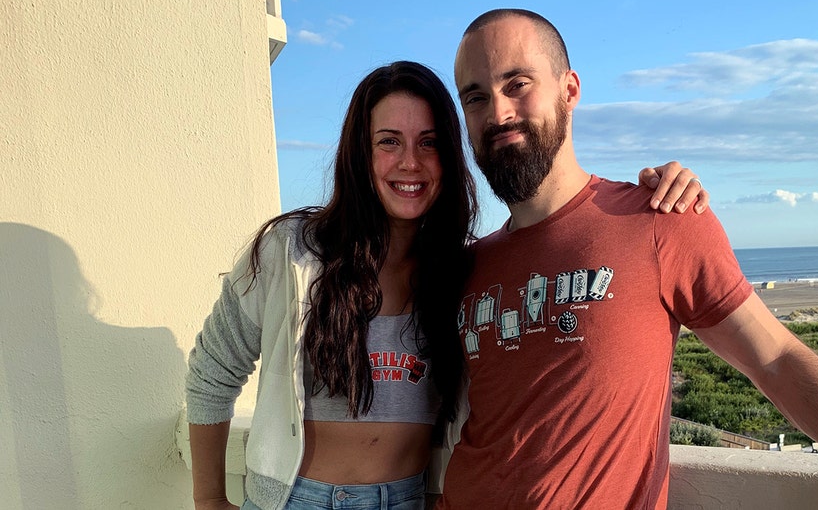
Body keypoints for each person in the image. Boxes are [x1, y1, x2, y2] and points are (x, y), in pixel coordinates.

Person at [436, 9, 818, 509]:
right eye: (475, 97)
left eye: (517, 83)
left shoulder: (659, 220)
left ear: (569, 90)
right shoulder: (471, 265)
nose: (497, 113)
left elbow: (776, 360)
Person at [184, 60, 706, 510]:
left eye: (428, 143)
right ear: (360, 155)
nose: (409, 162)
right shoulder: (291, 253)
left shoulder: (460, 272)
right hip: (295, 498)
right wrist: (208, 498)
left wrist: (655, 196)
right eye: (389, 142)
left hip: (411, 499)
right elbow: (212, 373)